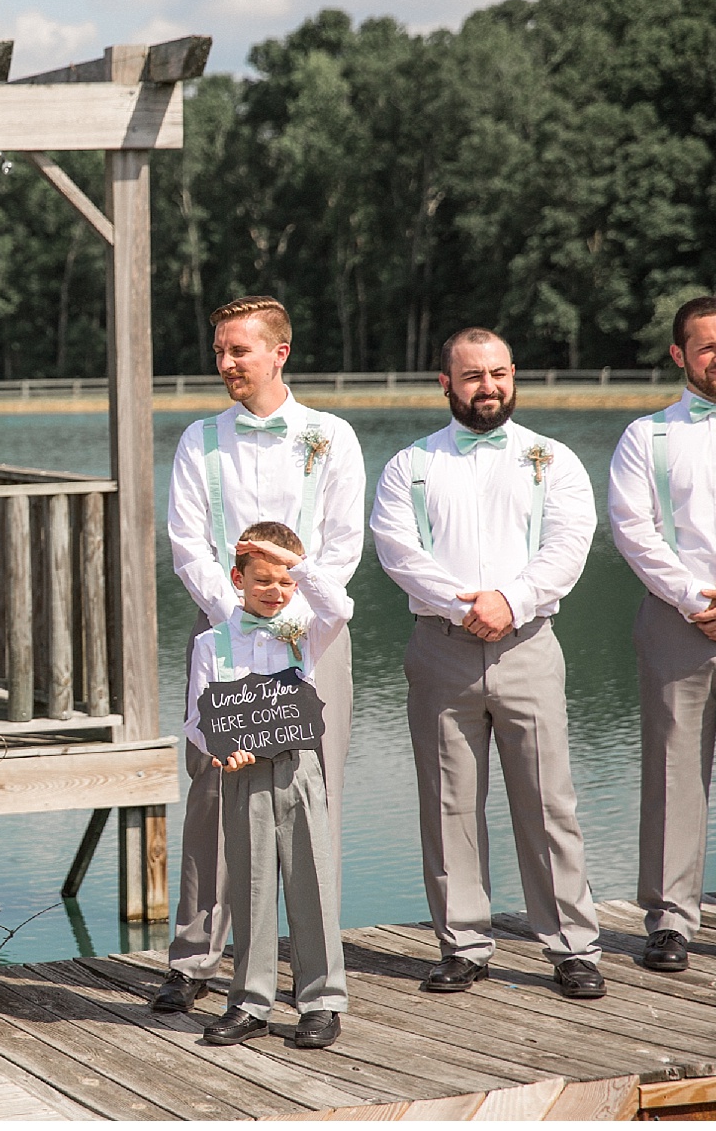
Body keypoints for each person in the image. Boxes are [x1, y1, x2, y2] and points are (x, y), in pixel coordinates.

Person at [369, 327, 606, 1000]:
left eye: (500, 373)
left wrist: (512, 599)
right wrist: (464, 604)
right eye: (473, 376)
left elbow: (568, 545)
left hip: (529, 644)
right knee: (449, 805)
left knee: (548, 800)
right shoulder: (408, 465)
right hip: (440, 649)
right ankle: (463, 944)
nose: (489, 386)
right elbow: (397, 550)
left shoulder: (551, 459)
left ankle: (572, 946)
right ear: (445, 383)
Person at [155, 295, 365, 1016]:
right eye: (219, 351)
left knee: (312, 796)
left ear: (280, 352)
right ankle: (195, 958)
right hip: (223, 634)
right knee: (213, 790)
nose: (225, 363)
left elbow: (342, 544)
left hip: (312, 638)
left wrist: (291, 619)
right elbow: (187, 543)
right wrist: (239, 613)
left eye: (238, 350)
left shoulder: (331, 436)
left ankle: (314, 972)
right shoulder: (199, 441)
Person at [608, 295, 716, 963]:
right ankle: (670, 919)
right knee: (674, 774)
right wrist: (701, 601)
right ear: (679, 355)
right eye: (706, 346)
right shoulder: (647, 436)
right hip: (678, 620)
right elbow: (632, 530)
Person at [186, 522, 350, 1049]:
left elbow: (340, 608)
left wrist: (292, 560)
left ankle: (320, 1002)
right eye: (262, 580)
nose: (274, 591)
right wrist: (218, 749)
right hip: (242, 776)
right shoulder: (211, 642)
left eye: (284, 581)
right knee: (252, 890)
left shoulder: (306, 629)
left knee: (312, 886)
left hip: (299, 769)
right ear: (238, 579)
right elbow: (196, 715)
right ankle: (251, 1002)